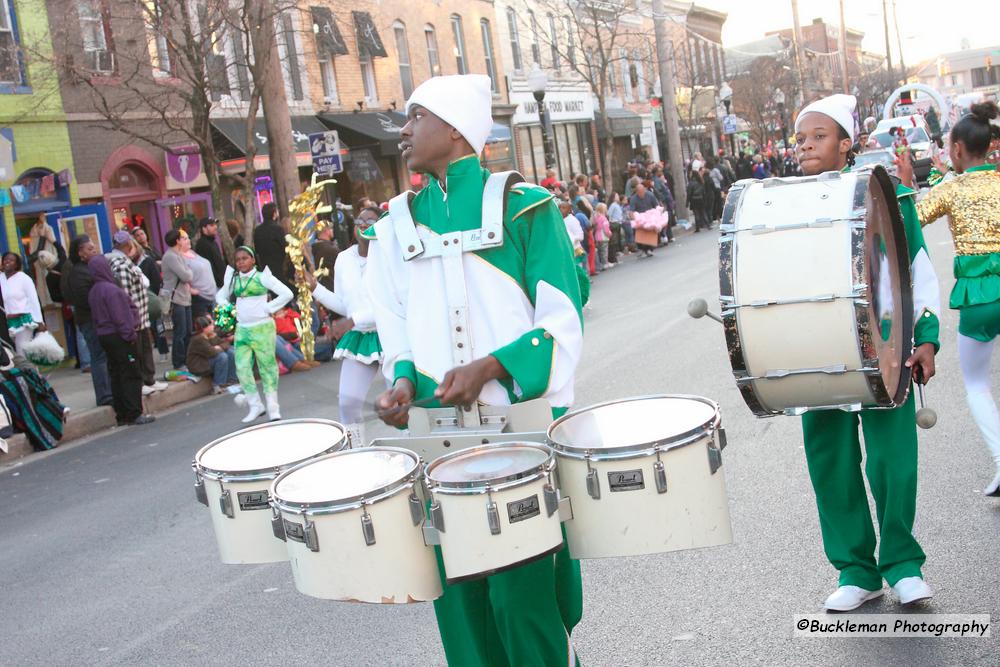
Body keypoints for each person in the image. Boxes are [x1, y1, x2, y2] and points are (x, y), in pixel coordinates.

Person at [367, 74, 583, 666]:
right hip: (438, 443)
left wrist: (490, 366)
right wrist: (404, 380)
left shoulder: (525, 207)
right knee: (458, 599)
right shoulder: (392, 227)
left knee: (522, 597)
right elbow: (393, 320)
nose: (404, 130)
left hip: (520, 431)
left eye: (416, 117)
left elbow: (562, 319)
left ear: (456, 127)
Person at [793, 94, 940, 611]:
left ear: (845, 144)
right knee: (831, 463)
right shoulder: (786, 206)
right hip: (817, 350)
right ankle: (856, 570)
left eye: (818, 136)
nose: (806, 146)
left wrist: (925, 336)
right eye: (800, 139)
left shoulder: (890, 197)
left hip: (885, 345)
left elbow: (916, 268)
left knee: (893, 461)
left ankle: (902, 565)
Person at [902, 101, 1000, 497]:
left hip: (979, 299)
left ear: (957, 149)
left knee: (976, 384)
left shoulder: (952, 187)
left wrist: (907, 182)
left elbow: (910, 216)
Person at [304, 205, 383, 444]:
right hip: (361, 337)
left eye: (371, 220)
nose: (364, 224)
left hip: (393, 334)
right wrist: (315, 289)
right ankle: (357, 453)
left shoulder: (391, 255)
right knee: (348, 404)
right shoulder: (343, 258)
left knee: (401, 404)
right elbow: (345, 306)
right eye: (360, 220)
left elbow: (395, 303)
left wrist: (352, 321)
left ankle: (413, 455)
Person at [216, 246, 293, 422]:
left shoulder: (262, 277)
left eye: (245, 258)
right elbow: (220, 296)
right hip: (242, 330)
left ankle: (273, 407)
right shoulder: (233, 280)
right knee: (242, 368)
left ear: (253, 260)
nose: (241, 262)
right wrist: (228, 308)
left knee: (267, 367)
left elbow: (286, 293)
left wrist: (269, 307)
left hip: (263, 328)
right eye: (238, 259)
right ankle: (255, 405)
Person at [87, 255, 155, 427]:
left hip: (105, 336)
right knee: (131, 373)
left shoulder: (94, 291)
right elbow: (121, 316)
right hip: (119, 335)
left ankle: (122, 413)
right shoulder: (112, 291)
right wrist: (130, 336)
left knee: (116, 374)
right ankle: (134, 412)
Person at [107, 231, 166, 396]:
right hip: (135, 316)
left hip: (141, 315)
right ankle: (141, 381)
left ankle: (149, 379)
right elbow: (125, 294)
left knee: (145, 349)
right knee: (138, 352)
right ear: (127, 246)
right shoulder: (120, 264)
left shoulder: (126, 262)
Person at [64, 236, 112, 407]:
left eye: (94, 247)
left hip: (102, 318)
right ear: (80, 253)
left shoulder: (91, 267)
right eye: (90, 249)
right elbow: (85, 299)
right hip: (90, 320)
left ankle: (110, 390)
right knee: (98, 356)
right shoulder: (77, 272)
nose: (94, 250)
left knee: (105, 356)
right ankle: (104, 395)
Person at [161, 229, 195, 370]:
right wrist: (188, 273)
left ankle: (187, 360)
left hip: (184, 297)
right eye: (183, 238)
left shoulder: (178, 255)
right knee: (180, 332)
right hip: (176, 299)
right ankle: (179, 362)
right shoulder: (170, 256)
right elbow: (186, 276)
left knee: (187, 331)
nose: (185, 240)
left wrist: (188, 272)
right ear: (177, 241)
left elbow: (187, 273)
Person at [0, 253, 46, 356]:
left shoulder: (24, 278)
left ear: (17, 264)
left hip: (23, 320)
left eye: (11, 260)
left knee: (22, 350)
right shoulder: (1, 278)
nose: (7, 262)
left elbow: (33, 300)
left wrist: (39, 321)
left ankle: (31, 371)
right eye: (5, 259)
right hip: (5, 321)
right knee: (10, 352)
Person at [187, 315, 237, 394]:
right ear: (204, 328)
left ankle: (231, 380)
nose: (212, 326)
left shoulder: (210, 335)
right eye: (210, 325)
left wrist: (218, 346)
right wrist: (218, 347)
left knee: (231, 351)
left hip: (207, 360)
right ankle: (218, 385)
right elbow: (212, 352)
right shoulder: (198, 339)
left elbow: (225, 344)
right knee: (222, 357)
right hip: (198, 365)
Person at [253, 202, 292, 289]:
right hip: (279, 267)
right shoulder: (277, 229)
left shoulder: (257, 231)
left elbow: (257, 250)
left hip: (265, 267)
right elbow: (285, 247)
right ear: (274, 213)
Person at [185, 242, 218, 319]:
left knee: (212, 326)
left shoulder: (193, 253)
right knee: (205, 326)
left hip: (211, 295)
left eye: (187, 238)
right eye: (184, 238)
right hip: (200, 297)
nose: (188, 240)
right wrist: (190, 289)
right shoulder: (179, 258)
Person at [628, 181, 660, 257]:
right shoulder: (633, 198)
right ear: (637, 192)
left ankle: (650, 249)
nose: (641, 194)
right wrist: (633, 218)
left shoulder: (650, 195)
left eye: (643, 191)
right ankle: (642, 249)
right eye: (639, 192)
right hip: (640, 217)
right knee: (639, 232)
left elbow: (656, 206)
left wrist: (658, 214)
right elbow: (631, 211)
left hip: (650, 216)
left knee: (651, 232)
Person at [195, 218, 226, 288]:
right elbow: (208, 266)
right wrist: (218, 281)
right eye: (212, 225)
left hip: (221, 283)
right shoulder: (202, 244)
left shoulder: (213, 243)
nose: (215, 227)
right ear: (204, 228)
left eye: (215, 224)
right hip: (214, 284)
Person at [311, 223, 340, 292]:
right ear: (327, 231)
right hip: (331, 286)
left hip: (321, 286)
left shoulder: (315, 247)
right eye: (331, 229)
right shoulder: (329, 249)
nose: (332, 231)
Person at [686, 162, 710, 232]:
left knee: (696, 213)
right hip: (701, 198)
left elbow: (689, 193)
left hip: (694, 199)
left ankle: (697, 228)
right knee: (703, 212)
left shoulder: (691, 183)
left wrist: (687, 202)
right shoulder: (700, 181)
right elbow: (703, 191)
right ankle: (708, 224)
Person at [593, 202, 612, 271]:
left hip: (597, 236)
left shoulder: (595, 217)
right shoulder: (603, 218)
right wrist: (609, 234)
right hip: (603, 236)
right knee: (604, 251)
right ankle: (605, 263)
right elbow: (606, 229)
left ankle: (601, 263)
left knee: (600, 251)